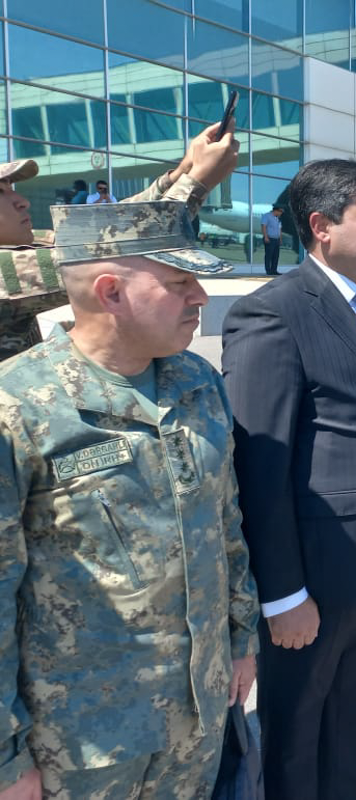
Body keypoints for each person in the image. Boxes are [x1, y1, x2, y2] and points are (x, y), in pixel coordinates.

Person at [0, 193, 258, 797]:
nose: (200, 296)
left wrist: (241, 641)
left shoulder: (197, 381)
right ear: (111, 292)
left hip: (199, 713)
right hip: (81, 743)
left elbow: (225, 524)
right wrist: (7, 758)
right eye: (180, 280)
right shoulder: (18, 409)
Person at [222, 159, 356, 800]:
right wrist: (282, 594)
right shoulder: (273, 314)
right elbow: (261, 467)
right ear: (320, 226)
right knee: (296, 736)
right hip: (315, 578)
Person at [2, 126, 230, 362]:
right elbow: (114, 251)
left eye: (11, 189)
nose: (21, 201)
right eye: (1, 192)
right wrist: (199, 181)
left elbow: (111, 228)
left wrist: (181, 173)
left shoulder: (35, 240)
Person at [261, 205, 284, 275]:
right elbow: (263, 226)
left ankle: (274, 270)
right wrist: (266, 237)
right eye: (280, 212)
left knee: (276, 256)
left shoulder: (278, 219)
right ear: (276, 210)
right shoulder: (266, 216)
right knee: (269, 255)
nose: (281, 213)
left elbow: (279, 229)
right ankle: (268, 271)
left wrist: (280, 239)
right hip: (269, 238)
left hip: (276, 239)